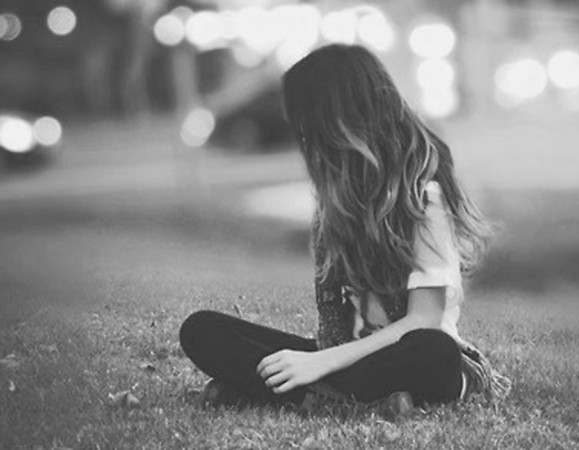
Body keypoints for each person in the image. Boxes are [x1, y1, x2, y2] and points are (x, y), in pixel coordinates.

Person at [179, 44, 510, 412]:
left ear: (337, 120)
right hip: (348, 359)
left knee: (433, 352)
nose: (303, 138)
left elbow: (424, 321)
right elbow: (333, 335)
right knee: (202, 330)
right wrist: (318, 358)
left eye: (306, 123)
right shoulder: (335, 200)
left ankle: (291, 394)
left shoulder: (423, 198)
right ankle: (352, 399)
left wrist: (321, 362)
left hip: (414, 355)